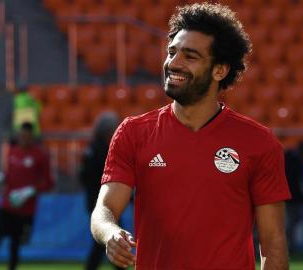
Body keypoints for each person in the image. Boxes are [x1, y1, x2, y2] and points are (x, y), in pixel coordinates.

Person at [91, 3, 291, 270]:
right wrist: (110, 234)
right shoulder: (133, 133)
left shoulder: (259, 143)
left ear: (220, 70)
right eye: (171, 52)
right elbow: (103, 210)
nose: (174, 63)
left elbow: (273, 245)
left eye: (190, 56)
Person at [0, 122, 54, 270]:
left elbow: (49, 183)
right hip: (6, 206)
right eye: (21, 136)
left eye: (27, 137)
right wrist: (3, 177)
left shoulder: (40, 155)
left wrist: (31, 190)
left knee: (15, 245)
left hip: (25, 210)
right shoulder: (12, 151)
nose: (23, 140)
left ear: (32, 137)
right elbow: (10, 174)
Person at [79, 112, 124, 270]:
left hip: (101, 202)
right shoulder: (101, 150)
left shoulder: (94, 149)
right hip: (102, 204)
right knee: (114, 240)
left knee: (107, 241)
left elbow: (83, 177)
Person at [284, 140, 303, 253]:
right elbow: (300, 183)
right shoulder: (299, 161)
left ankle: (290, 244)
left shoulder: (288, 157)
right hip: (293, 198)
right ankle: (290, 245)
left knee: (290, 223)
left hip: (286, 196)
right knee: (291, 223)